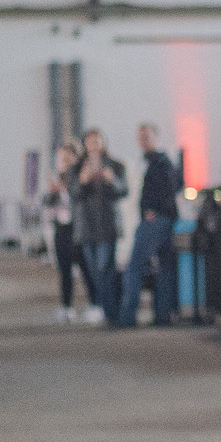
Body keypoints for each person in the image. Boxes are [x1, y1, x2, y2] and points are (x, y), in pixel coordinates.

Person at [117, 123, 182, 327]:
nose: (143, 140)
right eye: (140, 136)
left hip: (155, 221)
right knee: (164, 269)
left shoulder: (159, 162)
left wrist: (155, 211)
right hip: (163, 220)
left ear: (156, 138)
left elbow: (172, 186)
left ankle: (128, 316)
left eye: (147, 136)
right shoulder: (151, 161)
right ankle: (163, 315)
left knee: (135, 266)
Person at [72, 128, 128, 319]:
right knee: (93, 271)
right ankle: (103, 307)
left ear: (103, 142)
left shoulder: (115, 165)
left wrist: (112, 180)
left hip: (107, 225)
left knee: (106, 268)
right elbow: (74, 194)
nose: (93, 145)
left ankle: (111, 310)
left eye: (97, 141)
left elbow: (123, 191)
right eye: (90, 141)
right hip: (87, 227)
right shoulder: (77, 168)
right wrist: (82, 180)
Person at [45, 138, 84, 322]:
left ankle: (96, 303)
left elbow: (79, 199)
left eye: (68, 158)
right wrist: (53, 193)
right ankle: (66, 306)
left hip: (79, 227)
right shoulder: (57, 177)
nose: (64, 162)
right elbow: (47, 203)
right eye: (62, 159)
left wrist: (66, 188)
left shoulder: (81, 177)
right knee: (64, 268)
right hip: (61, 226)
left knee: (85, 266)